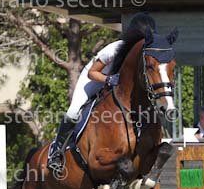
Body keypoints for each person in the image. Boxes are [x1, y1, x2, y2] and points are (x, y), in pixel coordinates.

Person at [47, 13, 157, 173]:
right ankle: (56, 152)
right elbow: (92, 73)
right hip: (95, 79)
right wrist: (108, 79)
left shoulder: (145, 53)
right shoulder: (115, 48)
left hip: (118, 85)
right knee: (73, 112)